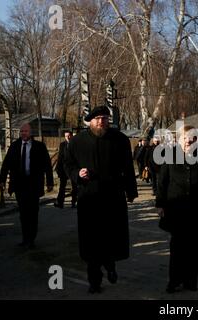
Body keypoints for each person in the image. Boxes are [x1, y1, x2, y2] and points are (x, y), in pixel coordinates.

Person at [64, 105, 138, 294]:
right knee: (91, 242)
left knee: (111, 237)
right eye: (98, 119)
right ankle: (94, 281)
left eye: (105, 118)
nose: (101, 122)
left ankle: (111, 265)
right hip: (89, 199)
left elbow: (128, 167)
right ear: (91, 121)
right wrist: (77, 174)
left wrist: (131, 191)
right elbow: (68, 164)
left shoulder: (119, 140)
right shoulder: (78, 141)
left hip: (113, 197)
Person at [156, 125, 198, 293]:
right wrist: (160, 204)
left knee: (195, 248)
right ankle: (174, 280)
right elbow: (162, 182)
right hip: (176, 209)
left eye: (192, 137)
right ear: (179, 139)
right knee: (177, 248)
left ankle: (190, 280)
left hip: (197, 209)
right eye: (185, 137)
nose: (189, 140)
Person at [0, 123, 54, 249]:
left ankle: (31, 239)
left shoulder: (39, 146)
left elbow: (47, 165)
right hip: (19, 184)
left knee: (33, 212)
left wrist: (50, 182)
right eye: (21, 131)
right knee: (23, 213)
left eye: (26, 131)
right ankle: (25, 238)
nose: (23, 133)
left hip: (33, 184)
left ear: (31, 132)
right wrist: (2, 180)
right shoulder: (14, 146)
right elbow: (6, 164)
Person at [54, 131, 77, 209]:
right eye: (66, 136)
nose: (68, 137)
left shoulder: (75, 144)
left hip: (73, 169)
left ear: (71, 136)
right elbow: (60, 157)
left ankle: (74, 202)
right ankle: (60, 202)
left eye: (69, 136)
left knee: (74, 186)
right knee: (62, 186)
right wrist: (58, 168)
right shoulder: (62, 145)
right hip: (64, 169)